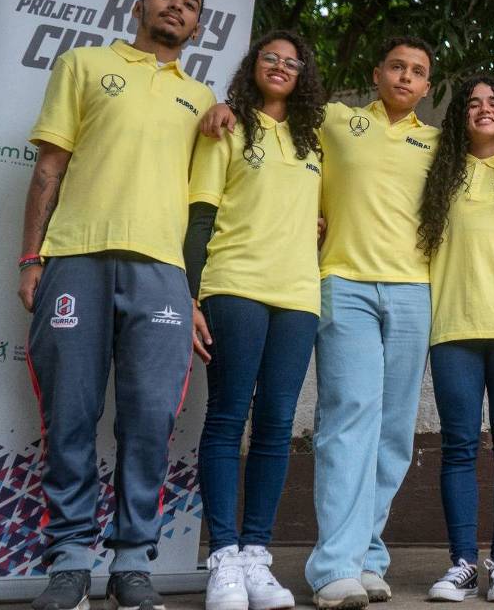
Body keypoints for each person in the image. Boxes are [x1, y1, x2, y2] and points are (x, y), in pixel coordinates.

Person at [201, 36, 439, 609]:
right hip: (342, 283)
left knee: (394, 433)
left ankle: (367, 555)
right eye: (396, 67)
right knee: (349, 420)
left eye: (418, 73)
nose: (406, 78)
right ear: (376, 72)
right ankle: (333, 566)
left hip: (413, 289)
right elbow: (273, 116)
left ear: (428, 87)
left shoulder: (437, 143)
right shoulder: (332, 121)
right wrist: (224, 105)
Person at [18, 0, 215, 610]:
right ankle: (70, 562)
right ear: (140, 4)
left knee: (151, 419)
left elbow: (206, 203)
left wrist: (189, 290)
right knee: (70, 412)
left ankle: (133, 561)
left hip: (162, 272)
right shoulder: (82, 65)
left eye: (190, 4)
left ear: (198, 23)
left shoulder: (202, 98)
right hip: (75, 257)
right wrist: (30, 258)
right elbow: (50, 167)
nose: (176, 8)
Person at [184, 31, 326, 610]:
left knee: (274, 424)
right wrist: (190, 297)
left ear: (303, 75)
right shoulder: (226, 126)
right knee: (227, 416)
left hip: (298, 295)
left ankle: (256, 558)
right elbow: (199, 220)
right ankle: (222, 559)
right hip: (234, 286)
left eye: (292, 61)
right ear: (253, 65)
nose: (281, 66)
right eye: (271, 57)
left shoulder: (314, 141)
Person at [417, 77, 494, 603]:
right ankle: (464, 563)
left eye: (493, 102)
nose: (484, 109)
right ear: (459, 116)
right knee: (459, 448)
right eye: (473, 103)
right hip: (453, 328)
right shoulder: (437, 173)